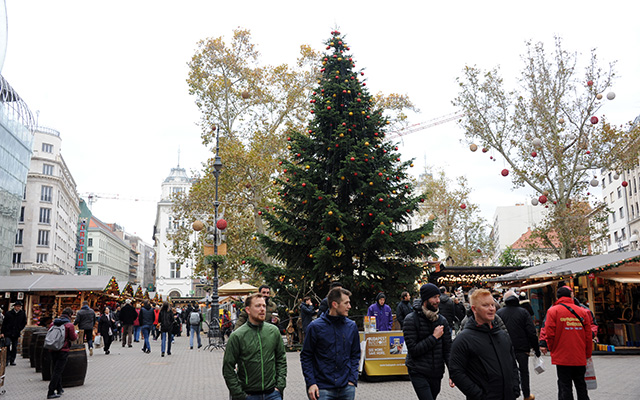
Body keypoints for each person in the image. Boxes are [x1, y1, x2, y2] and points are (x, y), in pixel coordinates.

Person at [449, 288, 520, 400]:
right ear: (474, 309)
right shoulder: (463, 339)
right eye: (486, 305)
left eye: (492, 304)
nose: (491, 309)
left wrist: (515, 388)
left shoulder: (502, 335)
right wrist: (479, 395)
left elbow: (512, 363)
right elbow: (456, 372)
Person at [223, 293, 287, 400]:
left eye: (264, 306)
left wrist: (280, 386)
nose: (262, 309)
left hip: (272, 394)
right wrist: (239, 394)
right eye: (258, 306)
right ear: (248, 310)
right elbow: (228, 367)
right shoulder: (238, 336)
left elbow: (281, 359)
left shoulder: (273, 331)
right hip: (248, 395)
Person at [301, 287, 360, 400]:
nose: (349, 307)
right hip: (322, 388)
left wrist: (352, 380)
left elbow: (355, 354)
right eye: (346, 303)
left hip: (346, 388)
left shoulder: (351, 327)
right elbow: (306, 356)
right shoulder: (315, 327)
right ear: (335, 304)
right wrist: (311, 383)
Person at [402, 283, 452, 400]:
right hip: (418, 371)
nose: (438, 300)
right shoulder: (411, 320)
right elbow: (414, 350)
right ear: (425, 299)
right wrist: (434, 337)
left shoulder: (441, 320)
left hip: (436, 372)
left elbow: (448, 349)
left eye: (438, 297)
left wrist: (452, 372)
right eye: (434, 297)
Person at [544, 286, 592, 400]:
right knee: (581, 385)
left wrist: (552, 349)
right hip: (579, 355)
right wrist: (588, 354)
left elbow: (549, 334)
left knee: (565, 386)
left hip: (562, 356)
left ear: (557, 297)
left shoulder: (553, 311)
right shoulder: (583, 311)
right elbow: (588, 336)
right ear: (571, 296)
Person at [497, 291, 540, 400]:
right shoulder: (523, 312)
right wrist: (536, 348)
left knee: (509, 372)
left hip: (505, 348)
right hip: (522, 348)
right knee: (524, 372)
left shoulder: (500, 313)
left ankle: (511, 394)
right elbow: (531, 332)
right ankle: (526, 395)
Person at [46, 307, 77, 399]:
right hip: (63, 350)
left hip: (53, 348)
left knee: (55, 369)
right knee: (58, 371)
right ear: (70, 315)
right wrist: (76, 334)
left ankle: (59, 388)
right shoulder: (69, 325)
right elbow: (73, 338)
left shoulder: (53, 323)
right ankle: (50, 391)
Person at [0, 301, 27, 366]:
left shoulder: (22, 314)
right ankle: (7, 359)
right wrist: (2, 332)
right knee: (7, 344)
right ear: (14, 306)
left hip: (16, 332)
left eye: (19, 307)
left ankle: (12, 360)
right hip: (8, 332)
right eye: (17, 306)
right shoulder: (8, 313)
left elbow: (24, 322)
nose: (18, 308)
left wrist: (19, 328)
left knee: (14, 346)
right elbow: (4, 323)